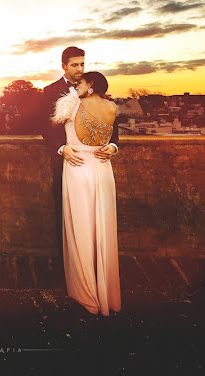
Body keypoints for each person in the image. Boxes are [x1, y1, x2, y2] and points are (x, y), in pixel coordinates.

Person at [40, 47, 119, 275]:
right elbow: (46, 126)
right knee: (66, 217)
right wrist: (61, 148)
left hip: (96, 164)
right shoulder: (50, 91)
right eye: (75, 65)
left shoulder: (102, 99)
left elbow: (112, 127)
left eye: (82, 64)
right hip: (65, 162)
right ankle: (69, 269)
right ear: (64, 66)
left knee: (96, 218)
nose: (79, 69)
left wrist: (112, 146)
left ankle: (93, 266)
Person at [51, 70, 122, 315]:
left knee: (80, 226)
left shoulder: (70, 104)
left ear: (90, 85)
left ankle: (86, 292)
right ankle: (105, 293)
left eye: (80, 82)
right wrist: (112, 147)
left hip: (77, 168)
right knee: (102, 229)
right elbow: (112, 136)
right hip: (102, 169)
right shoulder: (112, 107)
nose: (76, 85)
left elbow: (50, 128)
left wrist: (65, 148)